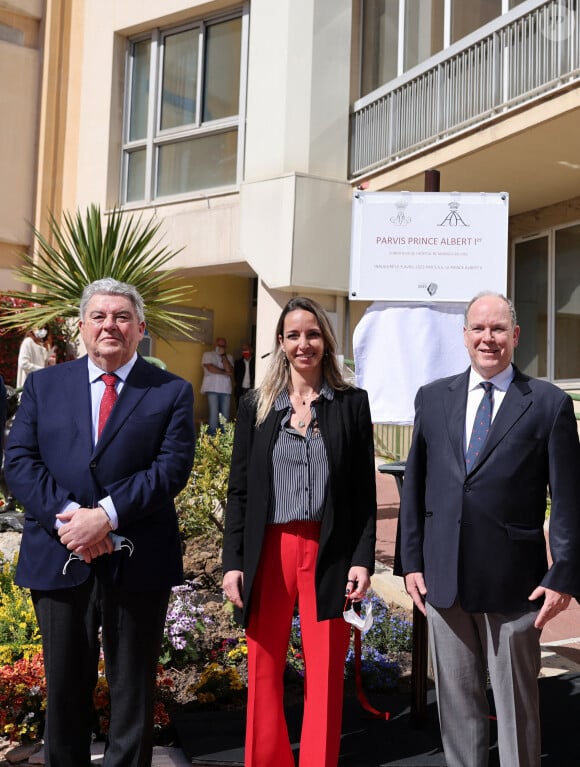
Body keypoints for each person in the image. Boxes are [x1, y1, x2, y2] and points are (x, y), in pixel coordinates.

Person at [4, 278, 195, 767]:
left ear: (141, 328)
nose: (111, 325)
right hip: (58, 552)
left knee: (133, 689)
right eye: (100, 316)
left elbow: (170, 469)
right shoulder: (45, 385)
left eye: (122, 317)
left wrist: (106, 517)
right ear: (83, 326)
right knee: (65, 686)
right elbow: (20, 460)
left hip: (137, 557)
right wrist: (73, 521)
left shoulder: (171, 391)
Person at [398, 291, 580, 767]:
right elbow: (415, 484)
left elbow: (567, 500)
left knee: (518, 711)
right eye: (478, 328)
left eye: (498, 328)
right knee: (457, 710)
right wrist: (411, 561)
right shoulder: (433, 398)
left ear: (515, 336)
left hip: (514, 584)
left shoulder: (549, 404)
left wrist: (563, 573)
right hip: (444, 580)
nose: (488, 338)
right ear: (464, 336)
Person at [222, 296, 376, 767]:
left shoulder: (351, 404)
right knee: (264, 663)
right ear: (281, 343)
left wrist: (362, 558)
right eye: (293, 335)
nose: (303, 343)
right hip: (269, 548)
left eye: (312, 334)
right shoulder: (257, 405)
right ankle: (266, 759)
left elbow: (362, 493)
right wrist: (233, 562)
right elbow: (239, 490)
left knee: (325, 671)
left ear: (325, 341)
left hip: (328, 548)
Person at [201, 336, 234, 435]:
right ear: (215, 345)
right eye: (219, 345)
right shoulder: (207, 355)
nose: (221, 347)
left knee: (225, 416)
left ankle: (225, 440)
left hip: (226, 390)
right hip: (212, 388)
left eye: (223, 345)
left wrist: (223, 356)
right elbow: (210, 368)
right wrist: (224, 373)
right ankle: (212, 440)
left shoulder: (229, 357)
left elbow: (229, 370)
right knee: (214, 415)